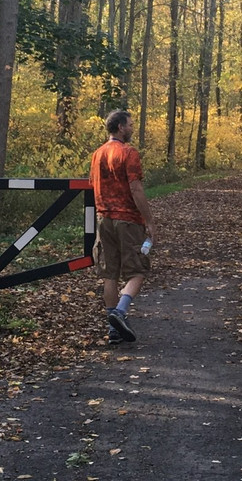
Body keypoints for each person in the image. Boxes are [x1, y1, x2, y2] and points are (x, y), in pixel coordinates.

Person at [90, 109, 157, 343]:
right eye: (130, 124)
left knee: (110, 273)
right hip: (127, 219)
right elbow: (136, 188)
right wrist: (148, 220)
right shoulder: (128, 153)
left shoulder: (97, 154)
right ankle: (120, 312)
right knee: (137, 272)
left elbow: (93, 185)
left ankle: (114, 331)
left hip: (104, 219)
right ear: (120, 127)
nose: (132, 128)